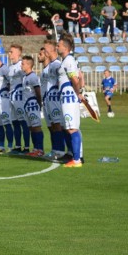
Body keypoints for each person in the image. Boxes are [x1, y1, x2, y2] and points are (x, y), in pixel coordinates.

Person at [56, 35, 85, 167]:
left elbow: (75, 79)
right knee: (68, 128)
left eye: (59, 45)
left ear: (66, 47)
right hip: (65, 97)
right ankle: (75, 156)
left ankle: (77, 159)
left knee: (72, 128)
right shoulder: (65, 60)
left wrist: (78, 93)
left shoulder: (69, 61)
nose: (57, 47)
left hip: (69, 97)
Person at [40, 40, 68, 161]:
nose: (44, 52)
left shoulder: (57, 64)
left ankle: (61, 151)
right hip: (48, 99)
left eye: (46, 49)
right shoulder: (50, 65)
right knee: (53, 126)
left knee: (58, 125)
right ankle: (56, 150)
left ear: (52, 50)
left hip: (55, 99)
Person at [7, 44, 30, 153]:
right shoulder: (10, 67)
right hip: (12, 98)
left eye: (11, 52)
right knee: (15, 122)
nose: (9, 53)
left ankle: (26, 147)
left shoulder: (22, 65)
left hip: (20, 98)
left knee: (23, 122)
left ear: (18, 53)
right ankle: (17, 146)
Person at [22, 56, 45, 158]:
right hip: (27, 106)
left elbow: (38, 91)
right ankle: (35, 148)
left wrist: (39, 104)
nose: (21, 65)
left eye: (23, 63)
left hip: (33, 105)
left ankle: (40, 149)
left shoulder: (33, 77)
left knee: (36, 127)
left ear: (28, 65)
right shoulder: (24, 77)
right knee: (31, 128)